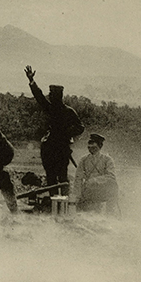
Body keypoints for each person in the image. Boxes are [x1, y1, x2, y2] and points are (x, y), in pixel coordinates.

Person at [24, 65, 84, 194]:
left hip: (62, 149)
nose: (49, 96)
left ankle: (65, 204)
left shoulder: (69, 112)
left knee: (63, 176)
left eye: (51, 94)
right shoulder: (50, 108)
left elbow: (80, 127)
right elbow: (39, 97)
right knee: (50, 177)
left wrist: (67, 133)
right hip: (49, 148)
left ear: (58, 95)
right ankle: (53, 203)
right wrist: (31, 81)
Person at [73, 133, 119, 214]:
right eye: (89, 146)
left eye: (93, 146)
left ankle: (110, 215)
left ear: (99, 146)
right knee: (83, 211)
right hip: (88, 191)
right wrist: (77, 196)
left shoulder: (107, 160)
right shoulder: (83, 160)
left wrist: (94, 180)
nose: (90, 148)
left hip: (102, 190)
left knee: (113, 187)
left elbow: (111, 176)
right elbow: (78, 178)